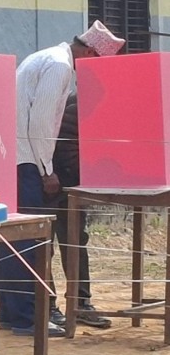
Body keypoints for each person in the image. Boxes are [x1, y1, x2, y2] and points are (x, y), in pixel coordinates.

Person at [0, 20, 125, 336]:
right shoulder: (59, 66)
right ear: (89, 51)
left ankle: (11, 314)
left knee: (11, 239)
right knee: (30, 241)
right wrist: (46, 169)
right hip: (28, 161)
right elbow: (40, 123)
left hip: (14, 158)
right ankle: (29, 318)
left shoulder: (47, 57)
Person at [51, 89, 112, 328]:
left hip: (68, 180)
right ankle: (51, 306)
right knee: (49, 245)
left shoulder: (88, 99)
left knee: (75, 240)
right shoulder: (82, 103)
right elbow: (67, 150)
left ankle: (80, 304)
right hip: (54, 180)